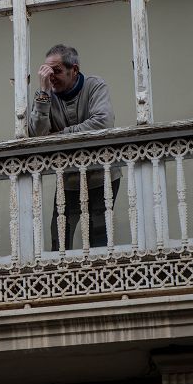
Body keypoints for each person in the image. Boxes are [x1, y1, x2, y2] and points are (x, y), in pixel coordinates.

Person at [29, 44, 117, 251]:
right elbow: (37, 135)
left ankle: (100, 280)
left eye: (57, 71)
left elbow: (103, 123)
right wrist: (43, 93)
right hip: (68, 178)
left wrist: (59, 136)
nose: (51, 77)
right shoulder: (45, 95)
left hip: (102, 175)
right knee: (59, 239)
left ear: (74, 70)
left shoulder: (95, 85)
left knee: (99, 238)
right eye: (48, 72)